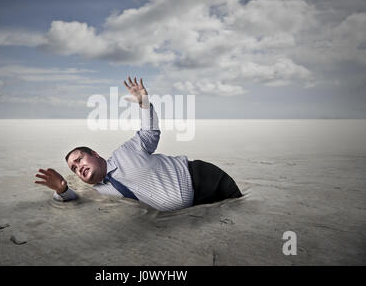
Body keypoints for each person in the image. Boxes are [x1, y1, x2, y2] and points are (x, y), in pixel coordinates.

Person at [34, 76, 242, 212]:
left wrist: (143, 102)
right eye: (74, 168)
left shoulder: (126, 151)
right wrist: (61, 189)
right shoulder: (99, 190)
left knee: (241, 211)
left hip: (204, 180)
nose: (79, 167)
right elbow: (75, 198)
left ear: (95, 154)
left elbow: (149, 131)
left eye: (79, 159)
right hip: (194, 210)